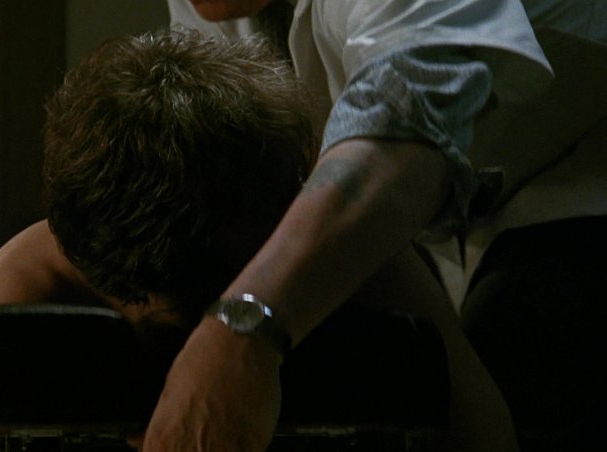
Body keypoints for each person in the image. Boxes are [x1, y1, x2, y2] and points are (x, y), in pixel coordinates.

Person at [0, 27, 519, 451]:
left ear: (289, 207)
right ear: (83, 256)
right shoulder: (41, 263)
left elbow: (485, 434)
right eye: (162, 326)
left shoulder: (356, 259)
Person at [158, 1, 606, 451]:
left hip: (580, 166)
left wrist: (244, 328)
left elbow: (407, 118)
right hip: (450, 208)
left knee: (537, 365)